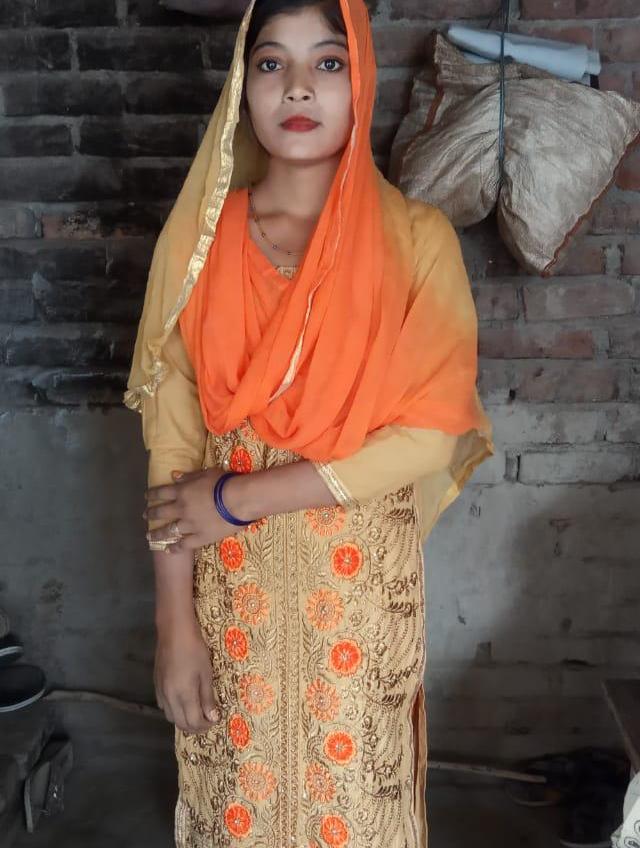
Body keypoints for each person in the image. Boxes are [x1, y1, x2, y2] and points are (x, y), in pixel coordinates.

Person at [125, 0, 493, 845]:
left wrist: (241, 499)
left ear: (360, 78)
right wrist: (174, 624)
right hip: (232, 600)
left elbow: (428, 433)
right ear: (242, 86)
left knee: (354, 812)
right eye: (271, 63)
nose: (298, 87)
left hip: (357, 602)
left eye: (328, 62)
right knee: (238, 807)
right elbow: (173, 450)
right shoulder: (198, 246)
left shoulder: (416, 240)